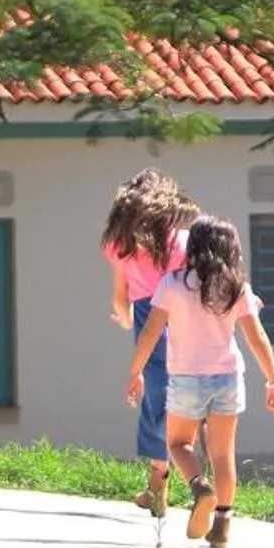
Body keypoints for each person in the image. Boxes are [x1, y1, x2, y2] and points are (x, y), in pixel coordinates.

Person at [126, 218, 274, 548]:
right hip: (228, 378)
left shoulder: (172, 283)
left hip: (186, 378)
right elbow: (256, 337)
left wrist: (135, 371)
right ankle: (222, 527)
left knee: (178, 444)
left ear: (193, 247)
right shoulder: (236, 287)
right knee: (223, 454)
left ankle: (200, 487)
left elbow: (151, 331)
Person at [101, 170, 198, 516]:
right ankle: (167, 486)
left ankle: (165, 488)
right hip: (187, 323)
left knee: (156, 403)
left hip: (147, 322)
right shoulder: (185, 242)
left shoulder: (121, 246)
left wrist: (125, 319)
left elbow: (118, 299)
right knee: (182, 399)